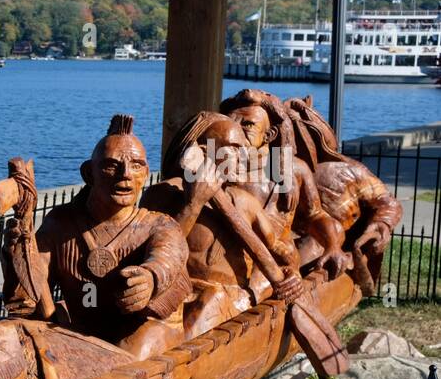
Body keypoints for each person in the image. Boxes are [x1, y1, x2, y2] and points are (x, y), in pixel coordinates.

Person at [3, 114, 191, 359]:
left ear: (145, 173)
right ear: (88, 174)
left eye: (136, 165)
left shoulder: (159, 225)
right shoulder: (62, 223)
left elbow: (167, 258)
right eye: (111, 165)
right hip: (82, 332)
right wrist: (18, 252)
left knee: (125, 356)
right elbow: (33, 283)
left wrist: (150, 278)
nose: (125, 174)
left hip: (142, 334)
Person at [144, 111, 303, 338]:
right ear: (202, 151)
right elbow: (155, 252)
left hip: (226, 301)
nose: (244, 157)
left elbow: (281, 246)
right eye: (234, 148)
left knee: (208, 306)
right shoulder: (164, 194)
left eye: (244, 149)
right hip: (174, 296)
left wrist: (293, 272)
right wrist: (193, 204)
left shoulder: (244, 202)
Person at [221, 87, 347, 277]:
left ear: (269, 134)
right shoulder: (215, 163)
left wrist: (333, 246)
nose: (236, 129)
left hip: (276, 263)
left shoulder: (294, 169)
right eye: (231, 122)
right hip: (223, 258)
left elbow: (316, 215)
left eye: (248, 125)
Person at [286, 95, 403, 294]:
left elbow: (388, 203)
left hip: (325, 245)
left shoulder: (350, 172)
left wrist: (381, 224)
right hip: (289, 239)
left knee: (308, 250)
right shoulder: (278, 169)